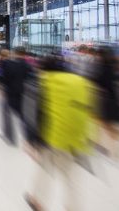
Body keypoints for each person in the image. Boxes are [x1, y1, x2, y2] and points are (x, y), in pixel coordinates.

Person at [25, 54, 96, 211]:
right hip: (77, 137)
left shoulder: (41, 81)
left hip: (52, 137)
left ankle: (37, 201)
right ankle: (74, 207)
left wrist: (31, 140)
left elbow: (32, 113)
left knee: (44, 169)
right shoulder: (79, 81)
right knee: (70, 177)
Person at [0, 48, 32, 145]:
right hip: (23, 93)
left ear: (15, 53)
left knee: (7, 115)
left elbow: (4, 78)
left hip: (9, 92)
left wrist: (2, 90)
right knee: (23, 116)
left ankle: (10, 138)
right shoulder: (27, 65)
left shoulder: (8, 64)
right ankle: (27, 138)